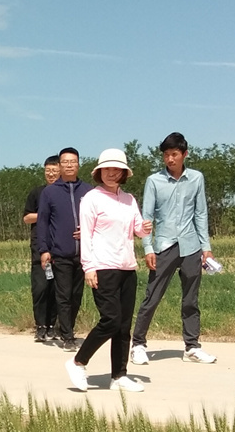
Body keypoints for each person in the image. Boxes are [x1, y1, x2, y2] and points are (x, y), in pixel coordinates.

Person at [65, 149, 151, 393]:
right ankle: (77, 361)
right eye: (107, 169)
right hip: (102, 267)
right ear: (99, 172)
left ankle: (119, 375)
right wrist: (88, 268)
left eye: (117, 169)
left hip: (127, 267)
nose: (112, 173)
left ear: (124, 173)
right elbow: (87, 236)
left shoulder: (129, 199)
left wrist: (145, 228)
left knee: (123, 325)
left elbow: (137, 230)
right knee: (110, 319)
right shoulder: (92, 199)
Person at [131, 134, 217, 365]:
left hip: (191, 245)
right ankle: (138, 344)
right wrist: (148, 247)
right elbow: (146, 217)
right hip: (164, 245)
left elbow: (200, 214)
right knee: (153, 296)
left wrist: (206, 248)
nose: (170, 159)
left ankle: (192, 346)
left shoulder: (196, 178)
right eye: (166, 155)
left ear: (184, 154)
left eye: (174, 154)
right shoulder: (154, 181)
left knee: (191, 298)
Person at [35, 148, 88, 347]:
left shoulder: (88, 191)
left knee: (76, 296)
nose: (68, 165)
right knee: (63, 296)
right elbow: (43, 223)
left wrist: (87, 231)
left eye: (72, 161)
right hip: (60, 253)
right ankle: (68, 336)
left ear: (78, 164)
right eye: (64, 162)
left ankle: (63, 327)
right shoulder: (50, 192)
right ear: (59, 165)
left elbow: (96, 219)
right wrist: (44, 249)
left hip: (83, 254)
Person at [21, 155, 61, 343]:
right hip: (39, 246)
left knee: (56, 288)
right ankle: (40, 326)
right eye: (48, 171)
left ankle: (53, 325)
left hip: (60, 247)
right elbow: (27, 218)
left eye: (54, 170)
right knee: (40, 287)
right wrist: (45, 214)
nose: (51, 174)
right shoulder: (37, 193)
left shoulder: (63, 193)